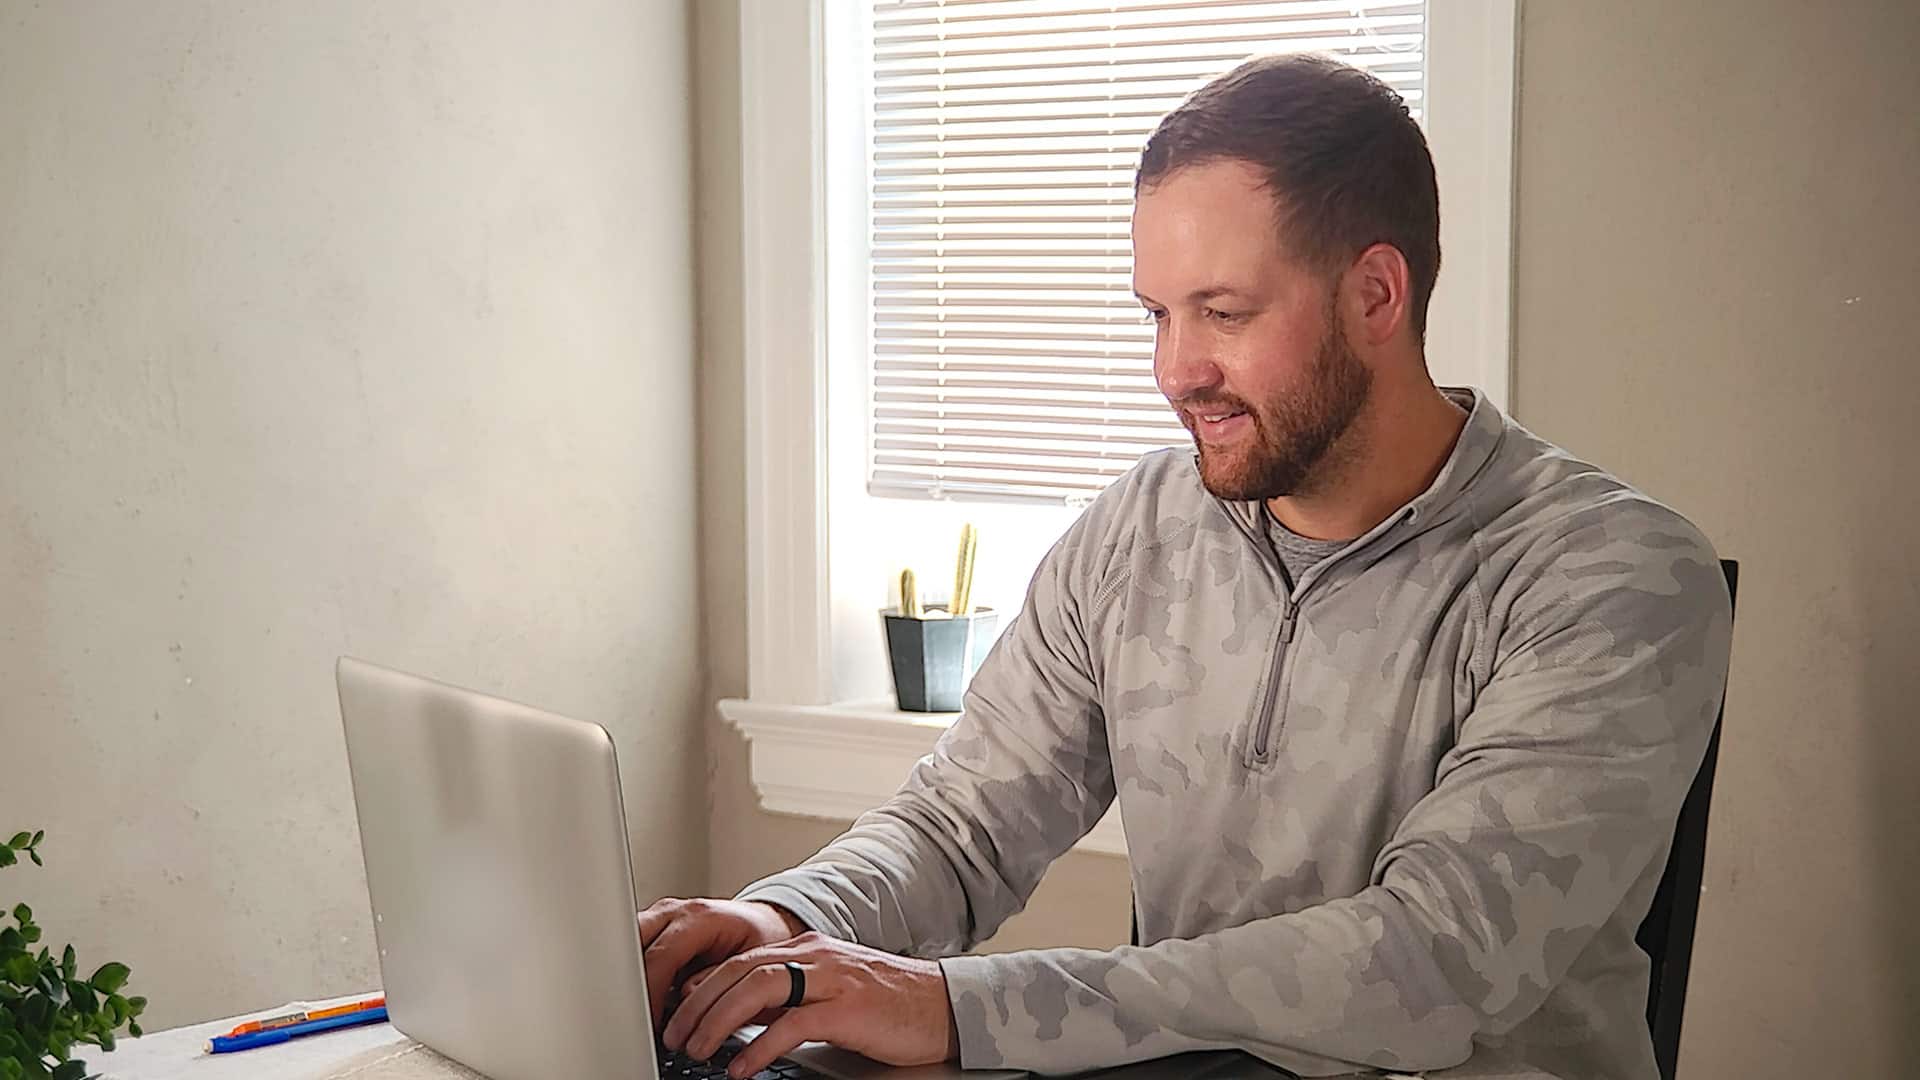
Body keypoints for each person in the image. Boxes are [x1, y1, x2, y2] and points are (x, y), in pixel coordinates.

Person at [641, 53, 1733, 1080]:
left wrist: (956, 1007)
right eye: (1158, 315)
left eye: (1223, 312)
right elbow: (962, 826)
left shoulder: (1611, 575)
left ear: (1376, 296)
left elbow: (1433, 960)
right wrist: (781, 920)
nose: (1176, 370)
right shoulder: (1142, 528)